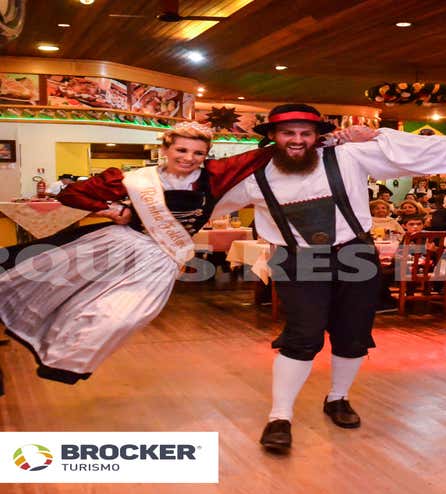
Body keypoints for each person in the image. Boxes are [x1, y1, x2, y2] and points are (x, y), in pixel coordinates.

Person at [211, 103, 446, 452]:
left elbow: (428, 151)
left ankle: (338, 398)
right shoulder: (251, 178)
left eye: (305, 133)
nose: (297, 140)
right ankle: (280, 416)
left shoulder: (349, 156)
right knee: (302, 336)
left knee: (353, 333)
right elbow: (198, 202)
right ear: (273, 137)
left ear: (317, 136)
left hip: (355, 254)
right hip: (298, 259)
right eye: (288, 133)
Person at [0, 122, 273, 385]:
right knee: (58, 288)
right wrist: (110, 210)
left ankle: (67, 359)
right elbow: (72, 194)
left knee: (124, 316)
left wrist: (300, 143)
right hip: (120, 245)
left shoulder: (212, 179)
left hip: (161, 257)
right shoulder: (136, 179)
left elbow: (255, 158)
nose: (189, 158)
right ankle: (60, 357)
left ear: (206, 155)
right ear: (166, 149)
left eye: (198, 152)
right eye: (181, 150)